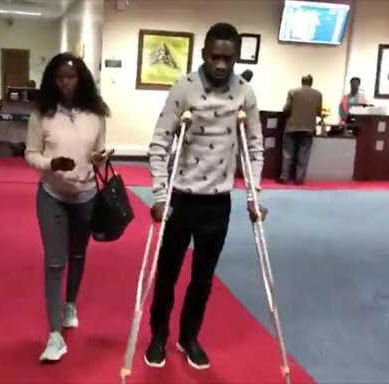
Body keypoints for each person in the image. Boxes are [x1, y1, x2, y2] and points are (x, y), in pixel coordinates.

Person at [146, 22, 266, 370]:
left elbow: (254, 148)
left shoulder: (246, 93)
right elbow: (159, 143)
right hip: (180, 199)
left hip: (217, 203)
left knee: (203, 277)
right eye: (214, 56)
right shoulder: (183, 88)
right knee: (167, 273)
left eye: (228, 58)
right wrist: (158, 194)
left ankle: (188, 336)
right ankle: (158, 334)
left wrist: (253, 196)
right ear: (203, 54)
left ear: (236, 58)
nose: (220, 64)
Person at [24, 53, 110, 362]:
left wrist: (101, 157)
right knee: (55, 262)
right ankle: (54, 335)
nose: (64, 82)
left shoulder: (96, 114)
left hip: (86, 195)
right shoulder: (42, 113)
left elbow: (99, 152)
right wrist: (51, 163)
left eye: (69, 77)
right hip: (52, 195)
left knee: (77, 255)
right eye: (58, 77)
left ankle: (70, 303)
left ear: (81, 79)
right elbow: (30, 153)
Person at [279, 75, 322, 185]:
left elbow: (286, 108)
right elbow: (319, 112)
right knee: (303, 155)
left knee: (288, 153)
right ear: (311, 82)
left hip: (292, 127)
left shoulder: (293, 92)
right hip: (308, 128)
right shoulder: (318, 94)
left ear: (302, 81)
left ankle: (284, 177)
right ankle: (299, 179)